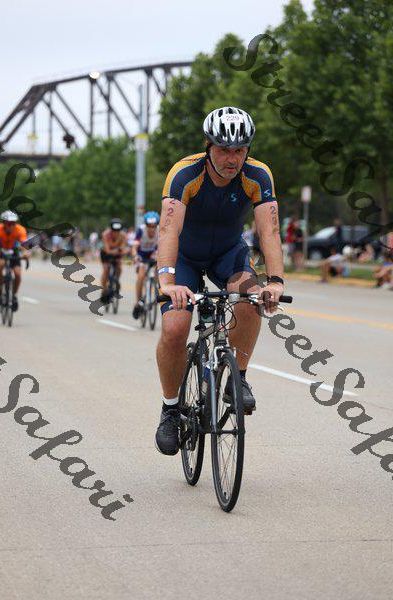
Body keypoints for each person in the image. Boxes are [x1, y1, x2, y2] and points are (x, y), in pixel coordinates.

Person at [154, 106, 284, 456]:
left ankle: (237, 378)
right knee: (175, 327)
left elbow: (269, 230)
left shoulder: (258, 175)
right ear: (208, 146)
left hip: (228, 253)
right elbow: (168, 230)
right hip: (183, 256)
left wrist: (275, 280)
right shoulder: (185, 174)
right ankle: (170, 410)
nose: (232, 158)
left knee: (250, 298)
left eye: (240, 150)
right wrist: (167, 281)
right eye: (225, 149)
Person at [0, 211, 30, 311]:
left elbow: (25, 244)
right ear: (4, 223)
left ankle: (13, 296)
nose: (12, 226)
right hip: (0, 251)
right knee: (1, 264)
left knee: (17, 273)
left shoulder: (20, 229)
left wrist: (26, 253)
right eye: (9, 223)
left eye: (14, 223)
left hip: (14, 251)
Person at [131, 212, 159, 319]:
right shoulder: (141, 230)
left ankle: (158, 289)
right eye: (149, 226)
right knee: (141, 276)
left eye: (154, 226)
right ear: (146, 225)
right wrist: (135, 256)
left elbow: (162, 245)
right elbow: (134, 247)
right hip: (141, 256)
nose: (151, 229)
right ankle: (137, 302)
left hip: (152, 254)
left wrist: (158, 254)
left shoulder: (159, 230)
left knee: (159, 268)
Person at [100, 218, 127, 301]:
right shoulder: (105, 234)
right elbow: (107, 250)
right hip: (106, 254)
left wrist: (121, 251)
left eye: (118, 231)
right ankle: (104, 289)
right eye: (114, 231)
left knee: (119, 267)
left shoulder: (123, 236)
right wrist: (118, 250)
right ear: (111, 230)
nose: (116, 233)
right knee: (106, 268)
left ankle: (116, 280)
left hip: (117, 253)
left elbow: (123, 249)